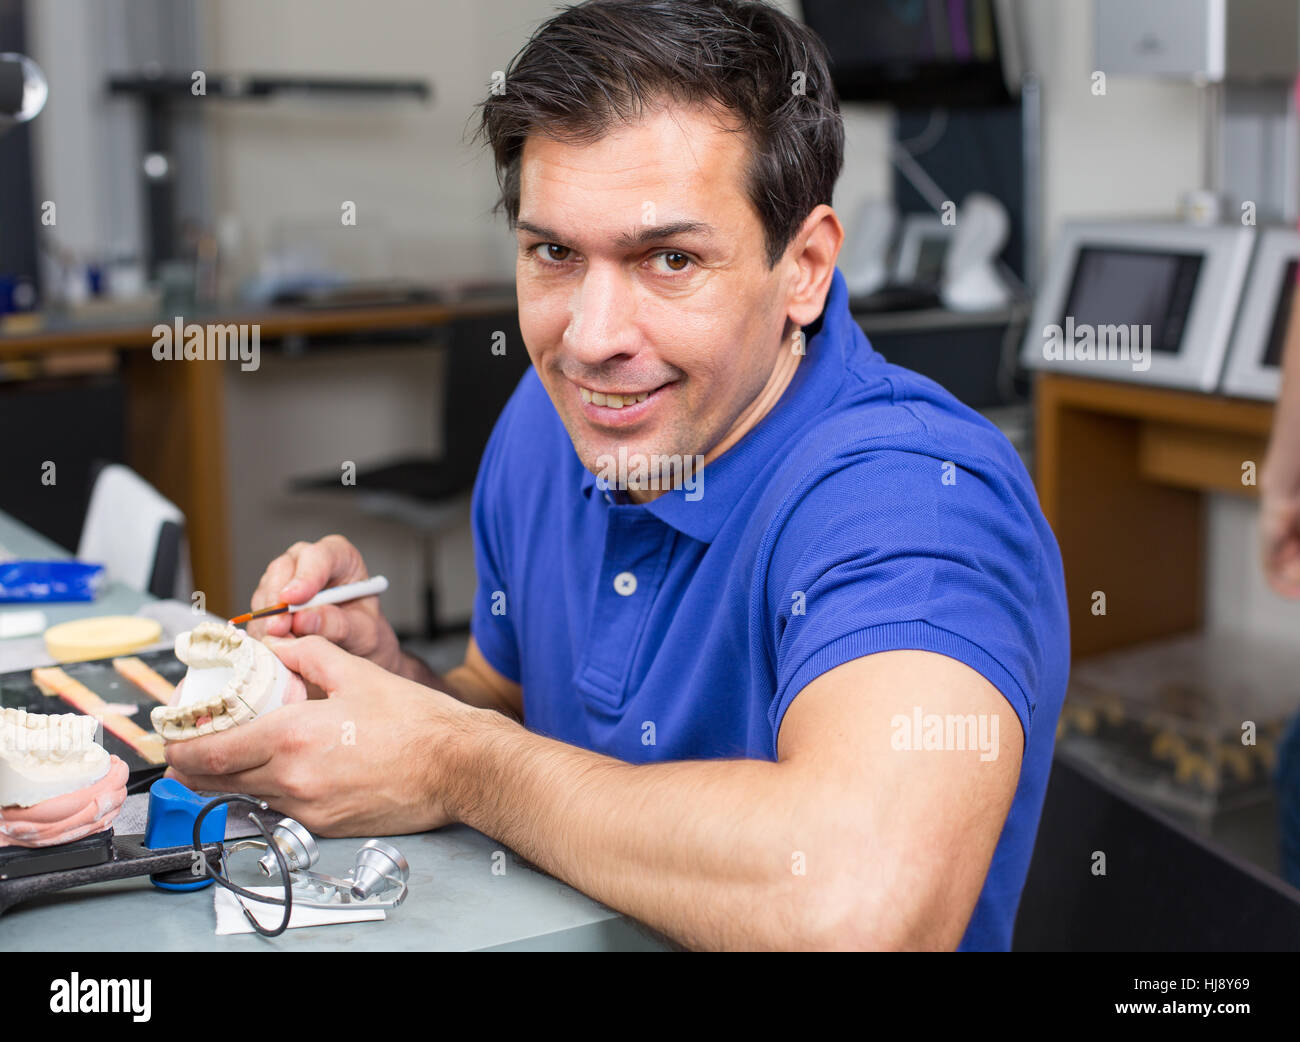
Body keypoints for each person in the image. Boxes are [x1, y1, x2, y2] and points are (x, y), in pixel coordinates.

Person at [165, 0, 1069, 950]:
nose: (591, 341)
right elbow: (510, 708)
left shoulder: (912, 500)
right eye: (554, 253)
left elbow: (858, 907)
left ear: (803, 266)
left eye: (669, 259)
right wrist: (394, 689)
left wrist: (453, 762)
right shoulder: (552, 422)